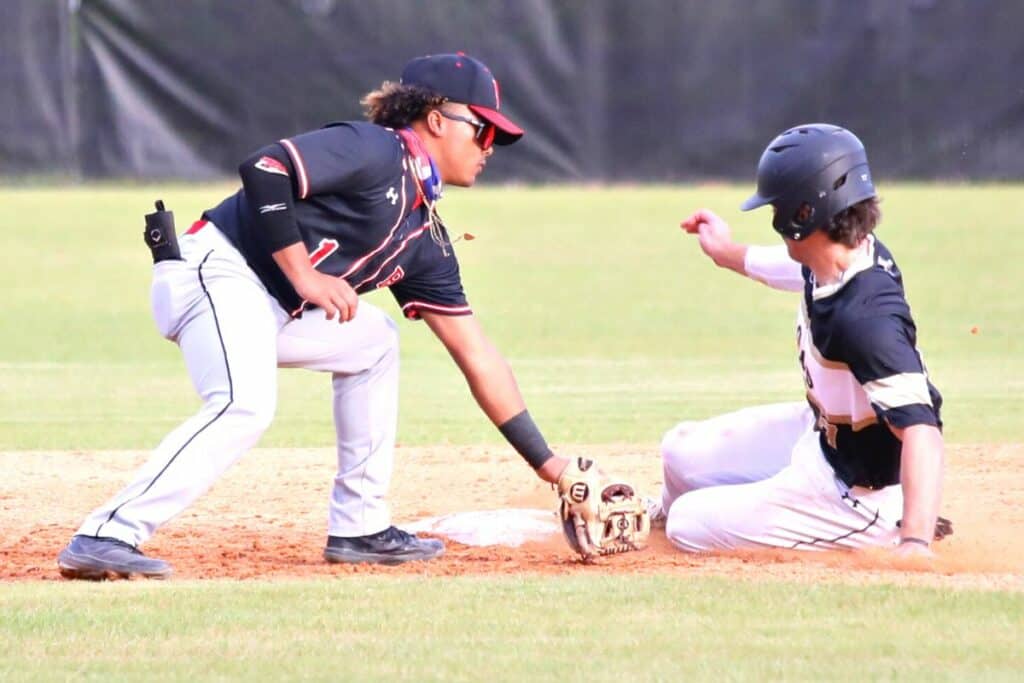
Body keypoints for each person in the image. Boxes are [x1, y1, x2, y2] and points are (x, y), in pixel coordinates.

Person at [57, 53, 576, 579]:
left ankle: (360, 526)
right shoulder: (376, 149)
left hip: (268, 306)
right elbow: (264, 169)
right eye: (483, 130)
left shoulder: (423, 238)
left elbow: (477, 355)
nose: (490, 147)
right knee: (244, 405)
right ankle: (106, 534)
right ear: (437, 119)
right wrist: (304, 275)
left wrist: (553, 468)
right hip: (215, 271)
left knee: (373, 342)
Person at [655, 123, 947, 558]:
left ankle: (891, 527)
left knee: (689, 524)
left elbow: (922, 429)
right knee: (678, 451)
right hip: (823, 435)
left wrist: (915, 542)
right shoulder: (841, 252)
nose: (773, 216)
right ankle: (657, 512)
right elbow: (796, 268)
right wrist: (725, 253)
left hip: (855, 495)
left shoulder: (866, 319)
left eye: (777, 205)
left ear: (803, 214)